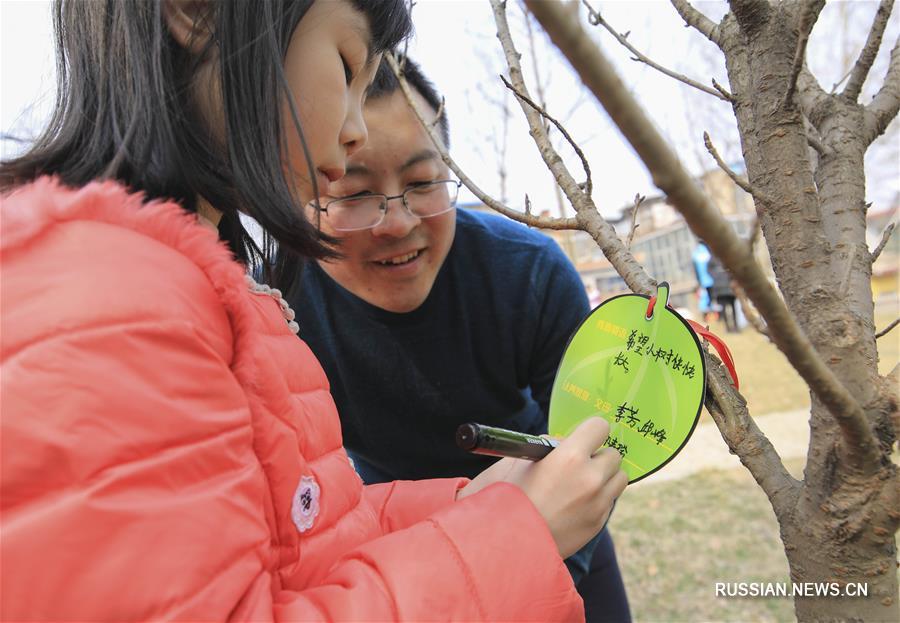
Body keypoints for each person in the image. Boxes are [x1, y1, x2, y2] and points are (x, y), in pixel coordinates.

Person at [0, 1, 628, 620]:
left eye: (423, 182)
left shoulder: (222, 296)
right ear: (197, 10)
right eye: (345, 62)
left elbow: (308, 537)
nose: (396, 220)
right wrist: (514, 536)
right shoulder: (119, 309)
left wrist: (484, 509)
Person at [289, 58, 630, 620]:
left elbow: (592, 446)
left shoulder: (529, 273)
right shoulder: (282, 309)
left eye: (422, 183)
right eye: (353, 194)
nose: (396, 223)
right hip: (396, 553)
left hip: (555, 529)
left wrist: (538, 558)